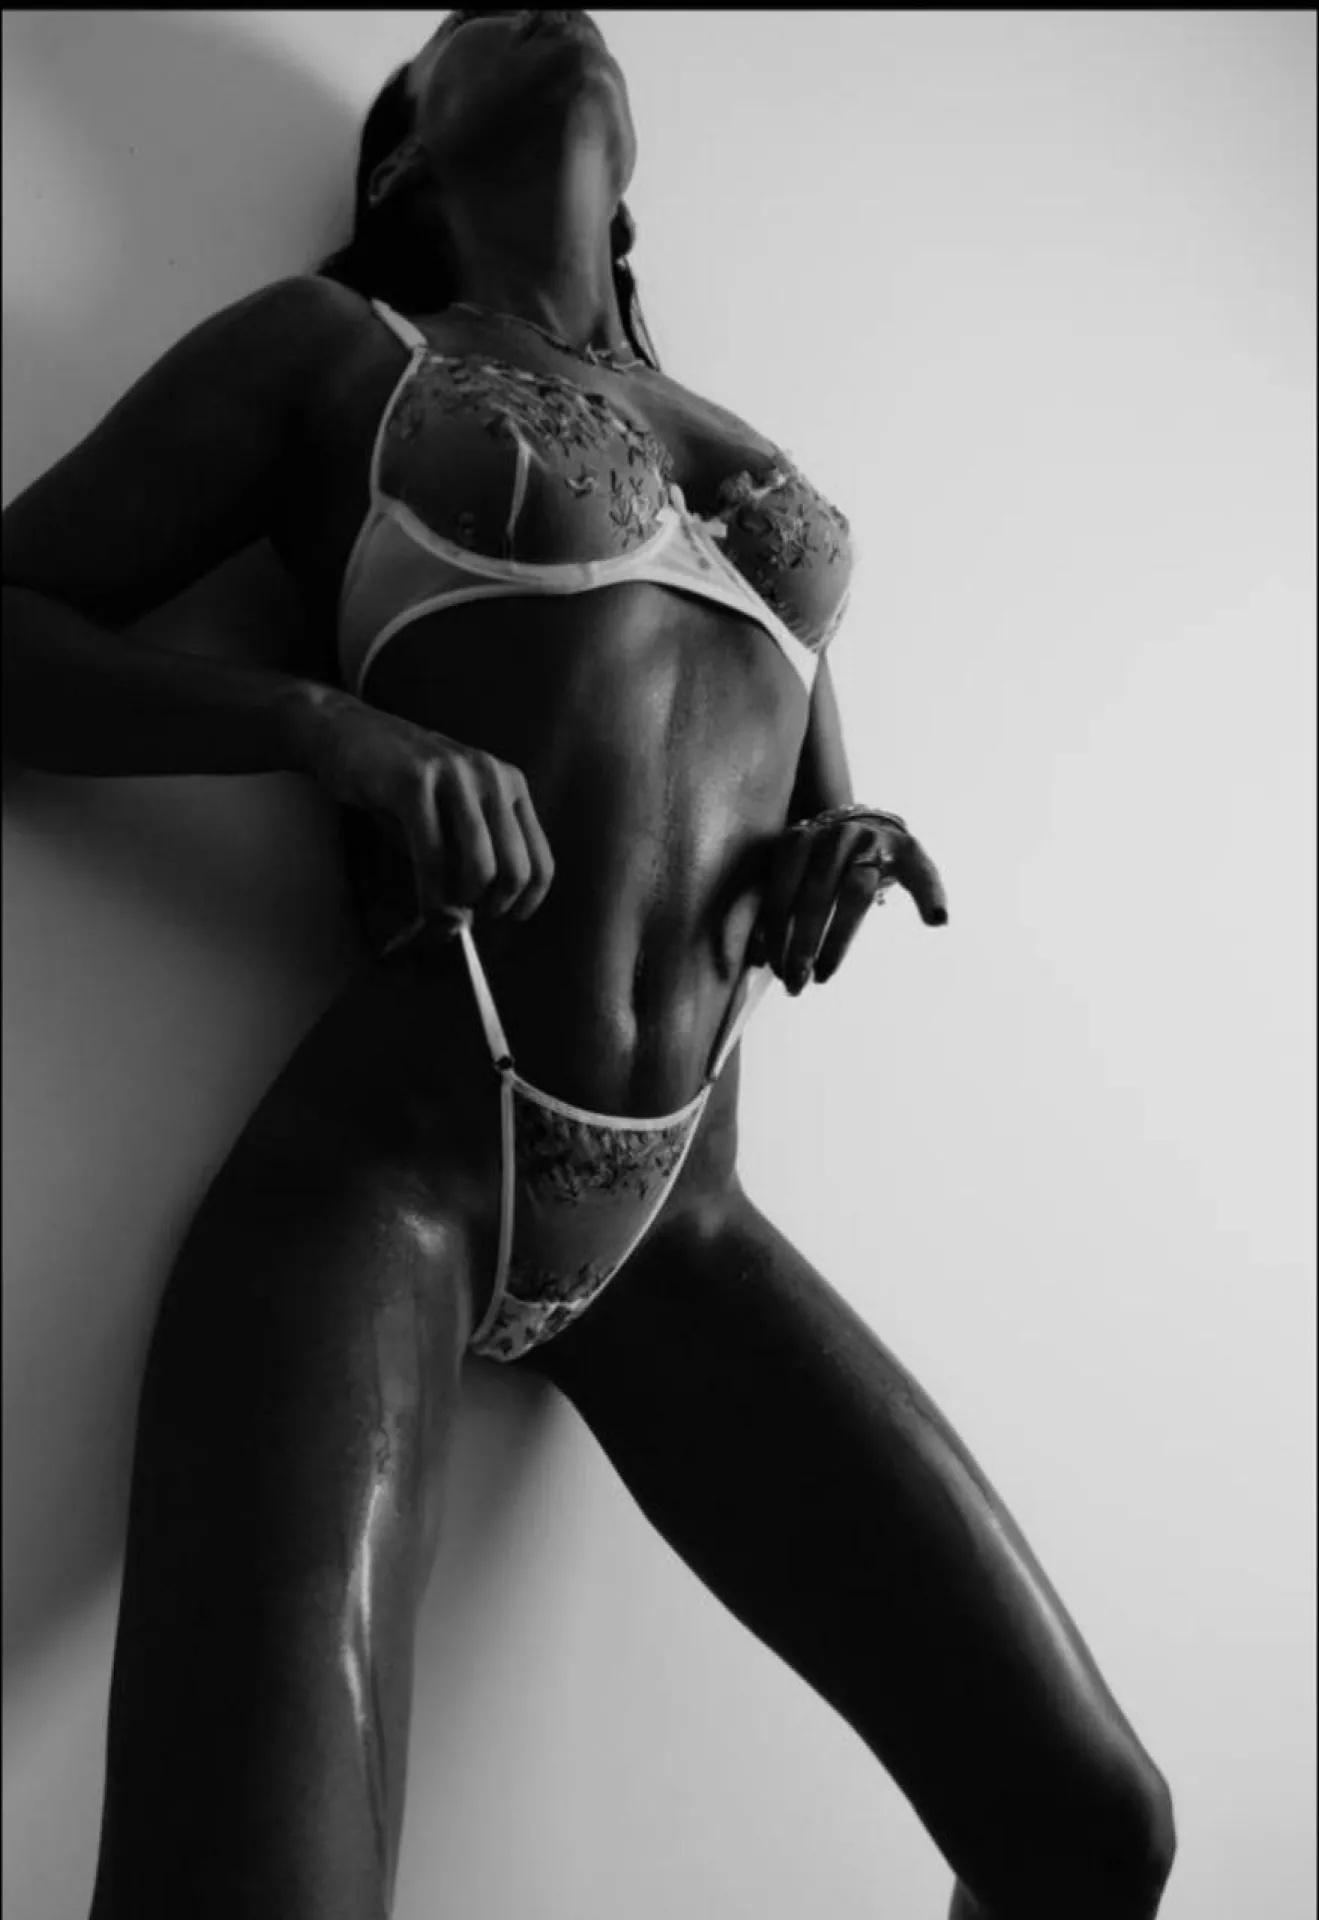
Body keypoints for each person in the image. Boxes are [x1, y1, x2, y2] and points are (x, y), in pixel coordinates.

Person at [0, 12, 1176, 1919]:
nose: (540, 15)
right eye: (474, 25)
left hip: (678, 1230)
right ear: (408, 159)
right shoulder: (342, 355)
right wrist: (324, 730)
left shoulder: (747, 469)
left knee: (1093, 1830)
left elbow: (783, 752)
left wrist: (842, 838)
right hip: (390, 1178)